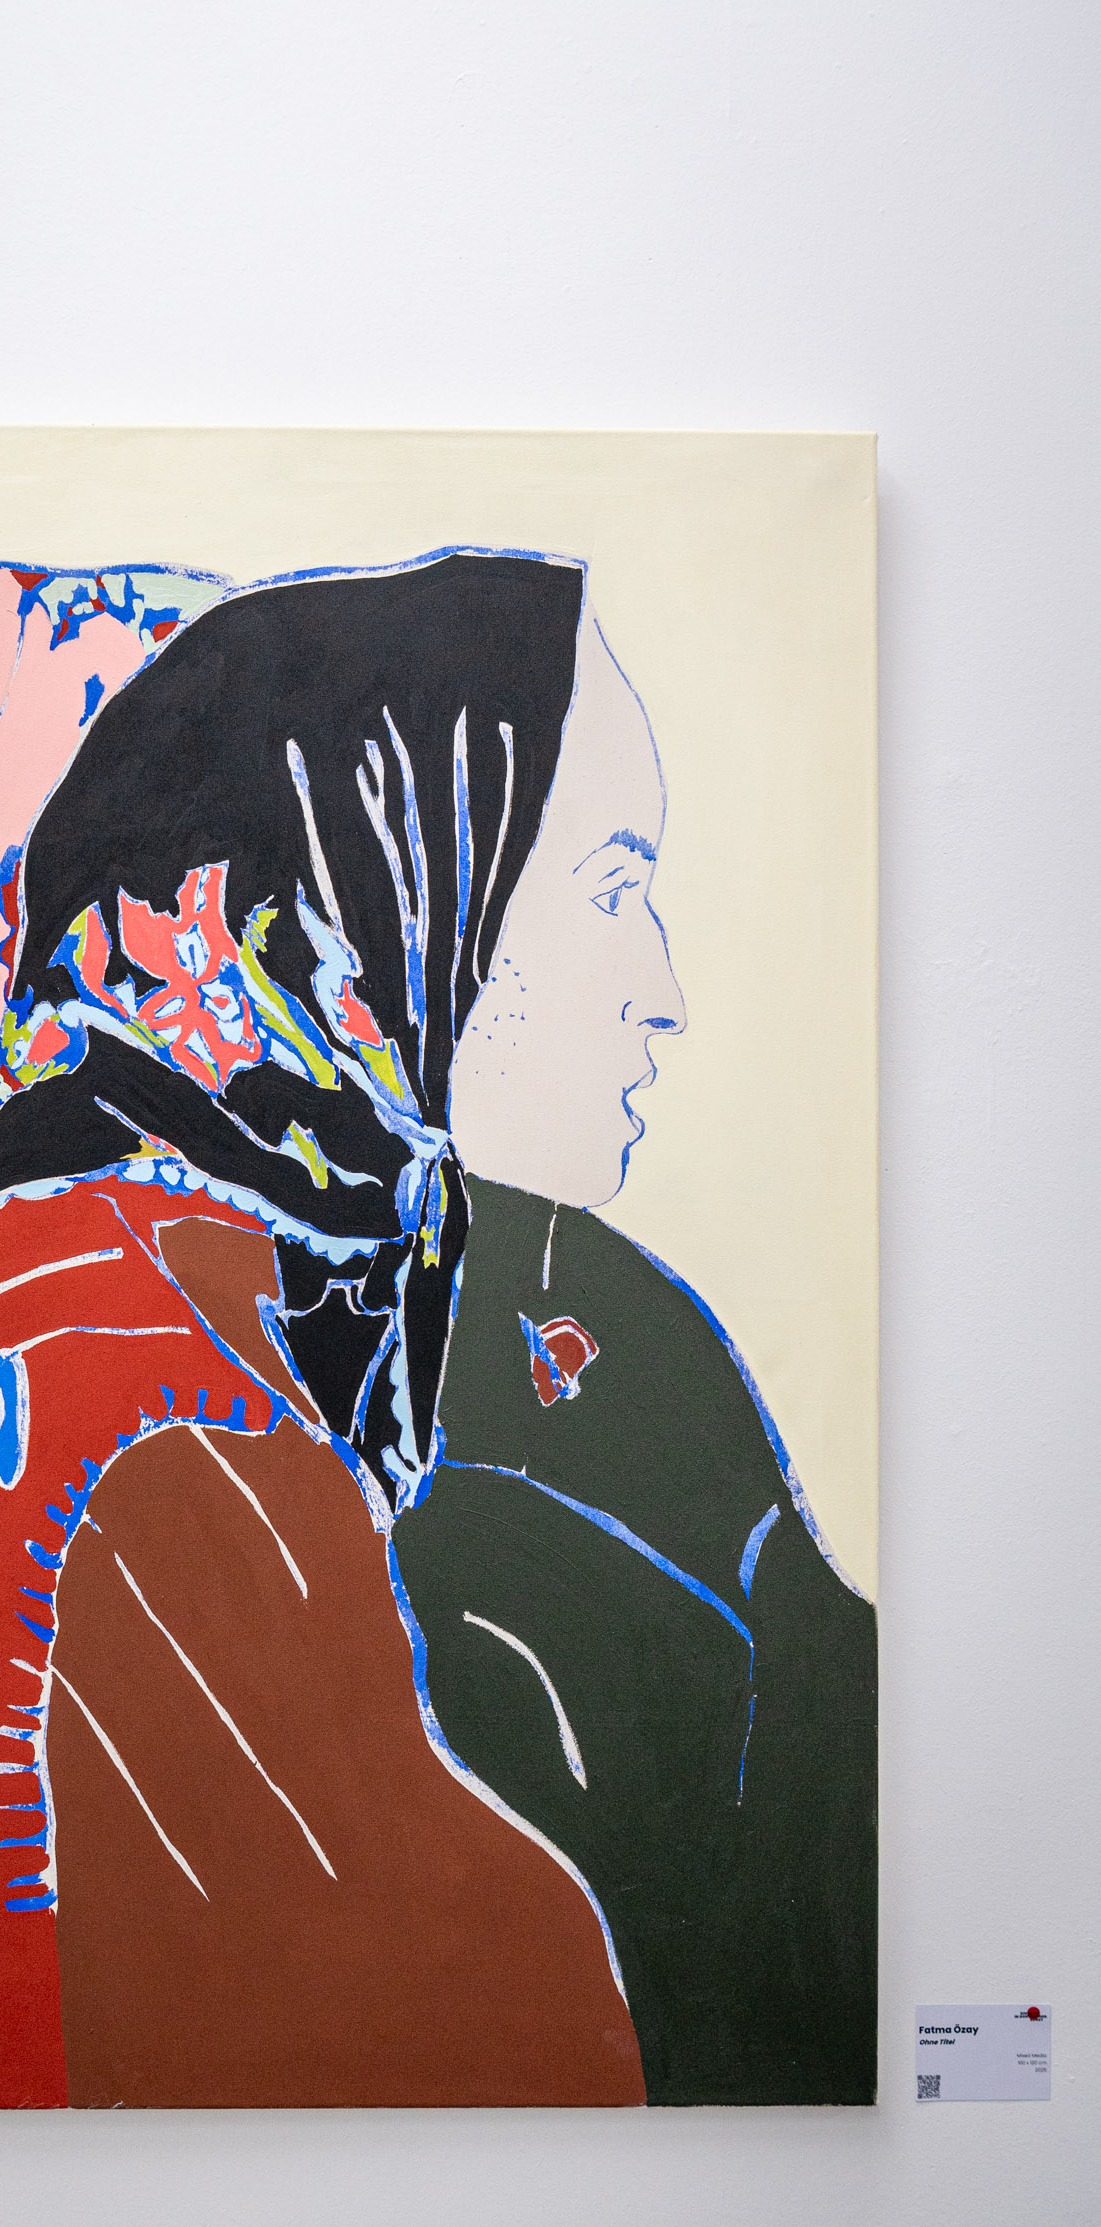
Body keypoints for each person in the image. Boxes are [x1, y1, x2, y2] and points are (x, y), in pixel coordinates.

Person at [0, 551, 645, 2110]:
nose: (662, 989)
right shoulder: (164, 1423)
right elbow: (471, 2017)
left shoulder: (16, 1275)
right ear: (332, 923)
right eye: (616, 894)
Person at [395, 605, 880, 2106]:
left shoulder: (609, 1303)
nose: (660, 991)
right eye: (614, 895)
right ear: (439, 917)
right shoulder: (262, 1396)